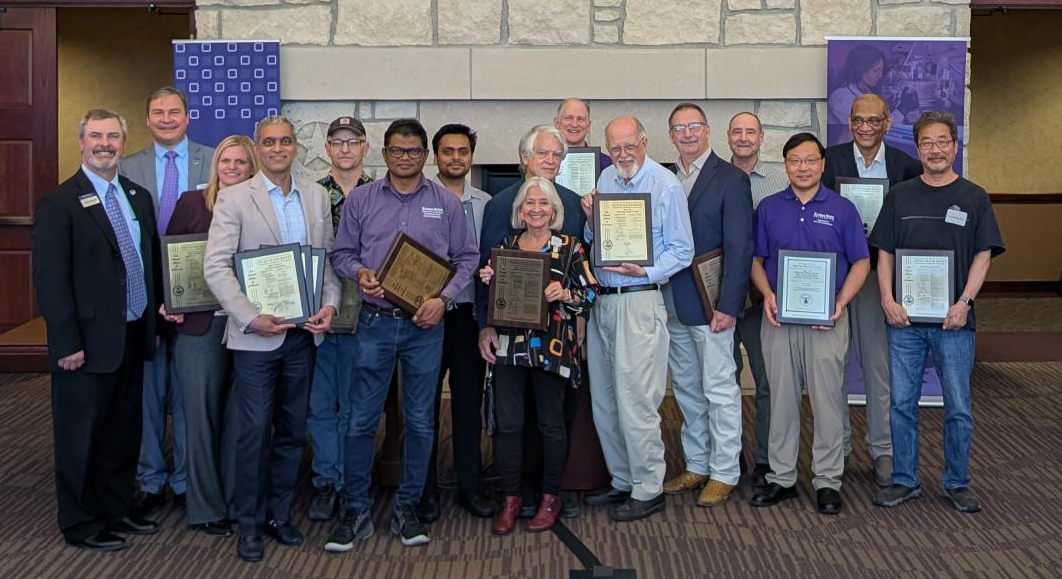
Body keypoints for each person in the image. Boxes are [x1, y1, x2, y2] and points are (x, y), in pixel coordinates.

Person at [327, 119, 478, 550]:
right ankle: (354, 508)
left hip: (424, 328)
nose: (405, 158)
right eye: (396, 151)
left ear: (425, 156)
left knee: (419, 421)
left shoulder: (446, 205)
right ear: (384, 152)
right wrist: (360, 273)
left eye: (413, 152)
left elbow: (467, 257)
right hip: (374, 322)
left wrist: (444, 299)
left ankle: (408, 506)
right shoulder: (361, 200)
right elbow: (341, 253)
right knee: (359, 420)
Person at [203, 115, 340, 562]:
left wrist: (330, 306)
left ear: (296, 147)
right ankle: (249, 523)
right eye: (269, 142)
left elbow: (329, 263)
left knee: (292, 432)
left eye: (285, 141)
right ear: (258, 149)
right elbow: (216, 266)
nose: (277, 148)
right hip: (256, 338)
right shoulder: (235, 198)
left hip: (303, 334)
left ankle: (279, 516)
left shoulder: (317, 196)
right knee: (254, 432)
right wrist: (249, 317)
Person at [33, 108, 162, 551]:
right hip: (84, 344)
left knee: (122, 432)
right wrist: (65, 342)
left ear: (123, 142)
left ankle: (116, 509)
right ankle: (81, 523)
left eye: (112, 136)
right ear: (82, 142)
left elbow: (148, 263)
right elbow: (51, 281)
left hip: (130, 333)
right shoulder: (59, 202)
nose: (104, 143)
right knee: (80, 437)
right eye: (95, 136)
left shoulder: (137, 196)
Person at [871, 111, 1004, 513]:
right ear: (918, 148)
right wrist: (887, 300)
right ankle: (905, 480)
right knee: (901, 404)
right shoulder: (900, 195)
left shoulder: (974, 196)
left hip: (954, 323)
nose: (935, 149)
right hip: (905, 323)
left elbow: (984, 255)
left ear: (955, 146)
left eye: (942, 141)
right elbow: (884, 253)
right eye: (926, 143)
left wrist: (964, 303)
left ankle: (957, 481)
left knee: (958, 407)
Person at [748, 133, 869, 516]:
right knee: (781, 398)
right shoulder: (768, 208)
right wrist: (766, 292)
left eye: (810, 160)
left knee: (828, 400)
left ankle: (828, 479)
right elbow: (756, 259)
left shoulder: (842, 208)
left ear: (822, 164)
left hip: (827, 321)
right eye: (795, 161)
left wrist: (839, 303)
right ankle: (782, 477)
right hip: (779, 319)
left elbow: (862, 262)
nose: (803, 167)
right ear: (785, 165)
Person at [581, 116, 694, 522]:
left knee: (637, 401)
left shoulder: (665, 185)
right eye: (616, 147)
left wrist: (644, 272)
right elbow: (596, 243)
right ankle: (623, 479)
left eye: (630, 146)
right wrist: (592, 219)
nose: (623, 154)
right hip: (604, 302)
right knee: (605, 399)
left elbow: (682, 252)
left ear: (644, 142)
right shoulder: (607, 180)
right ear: (607, 148)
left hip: (640, 300)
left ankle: (648, 487)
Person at [477, 124, 591, 519]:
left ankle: (549, 494)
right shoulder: (503, 229)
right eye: (542, 154)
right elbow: (485, 270)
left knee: (551, 421)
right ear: (525, 158)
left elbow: (587, 286)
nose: (537, 208)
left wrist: (572, 306)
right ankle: (514, 495)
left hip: (555, 343)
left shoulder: (574, 218)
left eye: (556, 155)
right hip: (510, 341)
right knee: (509, 422)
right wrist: (487, 304)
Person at [120, 86, 214, 514]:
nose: (166, 118)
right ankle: (151, 477)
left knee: (191, 388)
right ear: (147, 119)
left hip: (200, 287)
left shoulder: (214, 160)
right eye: (157, 112)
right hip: (146, 286)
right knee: (150, 388)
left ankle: (185, 480)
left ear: (188, 117)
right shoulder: (127, 166)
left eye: (173, 111)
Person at [823, 94, 923, 488]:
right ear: (849, 123)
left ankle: (883, 449)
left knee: (877, 367)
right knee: (831, 367)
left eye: (873, 121)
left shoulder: (906, 167)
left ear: (886, 122)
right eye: (857, 120)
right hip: (833, 276)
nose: (864, 127)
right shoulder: (828, 161)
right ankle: (838, 447)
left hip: (878, 278)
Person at [162, 135, 259, 537]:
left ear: (253, 167)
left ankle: (237, 502)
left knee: (241, 418)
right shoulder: (190, 202)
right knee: (198, 416)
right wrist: (170, 299)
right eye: (225, 161)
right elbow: (168, 254)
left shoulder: (262, 205)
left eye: (240, 162)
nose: (232, 168)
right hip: (200, 324)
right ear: (215, 164)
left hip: (250, 324)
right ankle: (204, 508)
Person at [660, 104, 753, 508]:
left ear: (707, 131)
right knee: (686, 390)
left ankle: (725, 471)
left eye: (694, 126)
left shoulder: (730, 179)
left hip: (711, 304)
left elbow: (740, 246)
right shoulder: (662, 178)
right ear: (670, 134)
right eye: (679, 128)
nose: (687, 133)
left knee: (719, 389)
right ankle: (697, 463)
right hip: (671, 303)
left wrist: (729, 304)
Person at [417, 123, 493, 522]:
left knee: (468, 406)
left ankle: (470, 487)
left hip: (468, 316)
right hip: (426, 316)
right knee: (423, 407)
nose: (456, 158)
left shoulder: (487, 203)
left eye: (463, 151)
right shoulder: (418, 197)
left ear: (471, 157)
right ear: (435, 156)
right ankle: (424, 491)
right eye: (447, 151)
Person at [307, 116, 374, 522]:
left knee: (354, 406)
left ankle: (351, 482)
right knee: (319, 405)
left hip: (368, 314)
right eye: (337, 141)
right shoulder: (311, 194)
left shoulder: (380, 193)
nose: (345, 148)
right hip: (319, 311)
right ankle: (324, 481)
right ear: (328, 148)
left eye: (353, 141)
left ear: (365, 147)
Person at [726, 112, 790, 488]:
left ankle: (766, 459)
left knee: (767, 380)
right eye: (737, 132)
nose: (744, 138)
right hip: (721, 296)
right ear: (728, 137)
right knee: (724, 379)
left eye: (751, 131)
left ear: (762, 137)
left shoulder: (782, 180)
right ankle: (729, 455)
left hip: (765, 295)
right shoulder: (714, 177)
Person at [827, 44, 886, 126]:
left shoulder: (865, 89)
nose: (880, 76)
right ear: (860, 68)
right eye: (876, 71)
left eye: (881, 71)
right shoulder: (840, 98)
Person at [553, 98, 612, 170]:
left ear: (588, 125)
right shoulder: (546, 163)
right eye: (568, 118)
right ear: (557, 123)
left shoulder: (606, 164)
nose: (574, 124)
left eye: (581, 119)